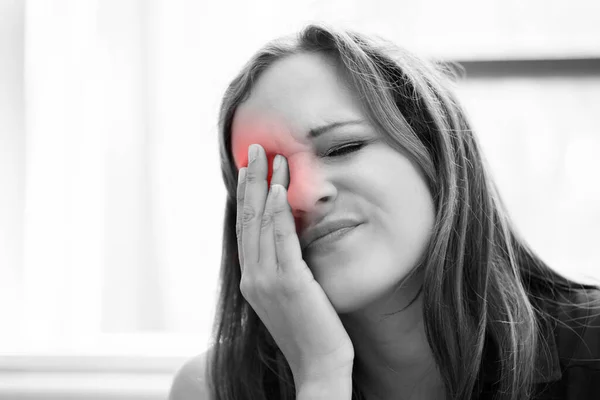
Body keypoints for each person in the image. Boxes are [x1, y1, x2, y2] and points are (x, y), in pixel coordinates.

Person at [168, 24, 600, 400]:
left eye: (343, 147)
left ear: (436, 157)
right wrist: (321, 377)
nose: (302, 195)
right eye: (269, 180)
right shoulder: (209, 390)